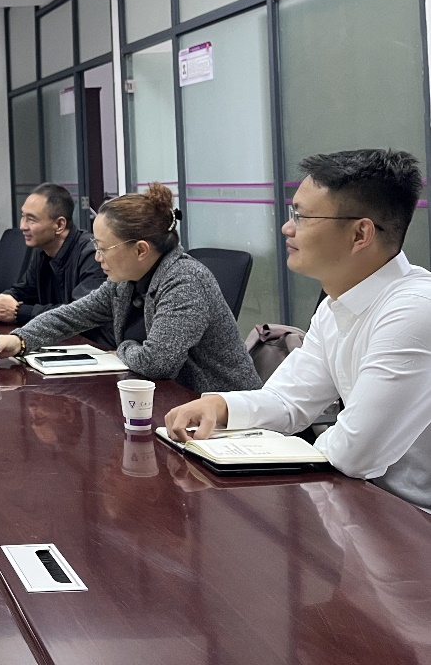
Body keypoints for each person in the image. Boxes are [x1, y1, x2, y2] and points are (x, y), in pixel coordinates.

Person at [166, 149, 431, 510]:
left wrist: (282, 454)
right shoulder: (336, 305)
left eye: (303, 217)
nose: (287, 228)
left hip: (413, 518)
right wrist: (221, 405)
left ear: (360, 234)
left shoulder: (414, 309)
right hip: (366, 503)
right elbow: (289, 401)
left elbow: (356, 454)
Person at [0, 181, 261, 394]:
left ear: (140, 250)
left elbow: (157, 362)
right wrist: (20, 340)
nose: (97, 257)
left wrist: (123, 348)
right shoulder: (126, 281)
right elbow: (72, 315)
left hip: (227, 415)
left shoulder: (184, 281)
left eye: (103, 248)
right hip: (177, 403)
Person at [0, 183, 111, 348]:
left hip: (94, 347)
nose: (22, 226)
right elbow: (25, 290)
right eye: (23, 217)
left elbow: (80, 313)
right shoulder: (43, 252)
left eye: (31, 219)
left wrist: (18, 312)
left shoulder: (92, 255)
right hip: (61, 342)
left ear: (59, 225)